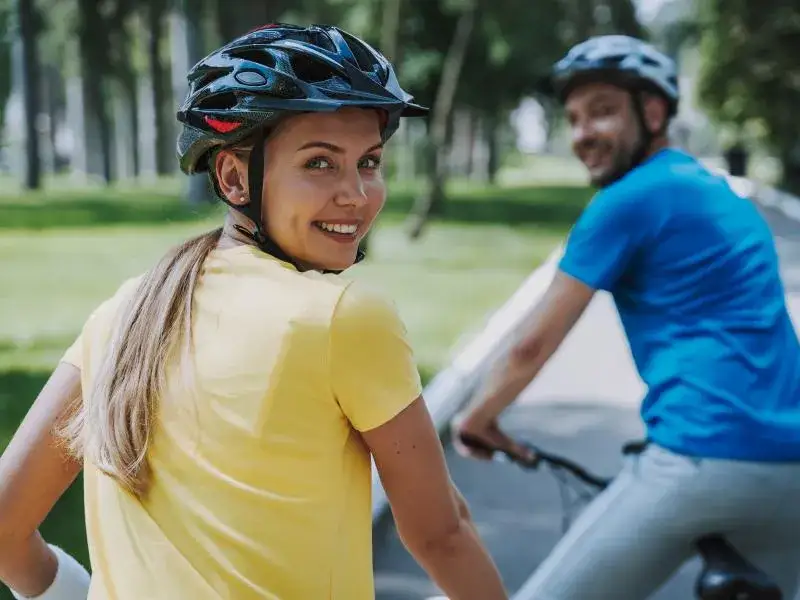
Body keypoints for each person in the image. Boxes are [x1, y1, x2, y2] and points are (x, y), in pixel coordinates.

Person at [0, 24, 508, 600]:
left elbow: (5, 530)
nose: (356, 194)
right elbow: (441, 533)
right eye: (320, 163)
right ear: (234, 177)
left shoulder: (121, 313)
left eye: (369, 162)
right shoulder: (343, 317)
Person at [453, 34, 800, 599]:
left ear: (653, 112)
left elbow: (530, 346)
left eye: (602, 112)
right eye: (573, 119)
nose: (582, 134)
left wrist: (476, 417)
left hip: (700, 455)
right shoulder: (716, 193)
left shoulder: (626, 200)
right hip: (791, 466)